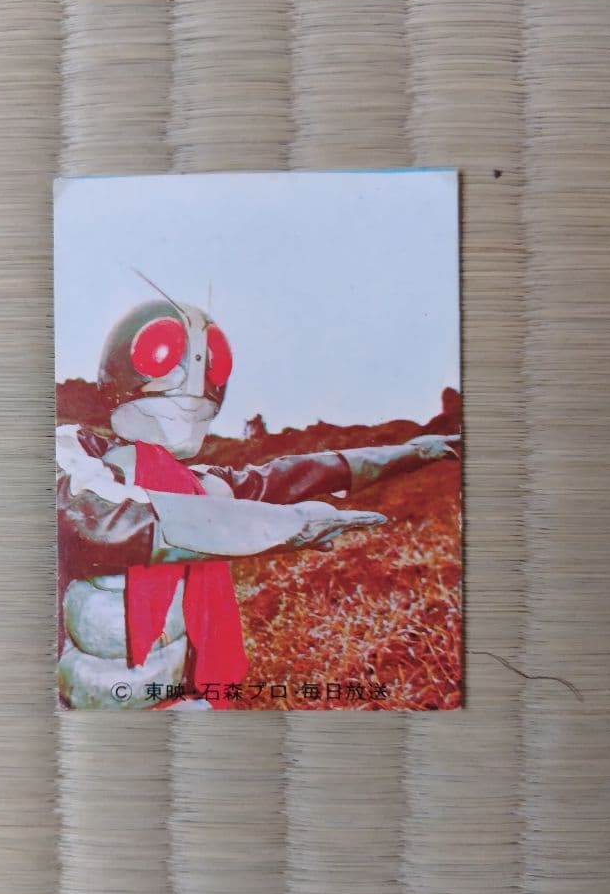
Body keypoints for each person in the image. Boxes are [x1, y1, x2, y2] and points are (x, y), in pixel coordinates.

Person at [56, 296, 459, 709]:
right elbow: (107, 523)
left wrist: (411, 453)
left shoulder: (197, 486)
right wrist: (284, 525)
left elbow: (291, 475)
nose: (190, 389)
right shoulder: (73, 459)